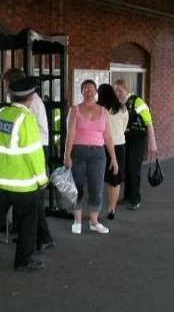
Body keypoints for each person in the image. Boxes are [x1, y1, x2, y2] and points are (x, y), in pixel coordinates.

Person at [0, 77, 48, 271]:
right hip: (23, 185)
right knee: (27, 224)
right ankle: (23, 261)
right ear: (31, 97)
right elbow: (34, 153)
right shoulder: (27, 118)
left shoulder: (1, 113)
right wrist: (42, 180)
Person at [1, 68, 56, 252]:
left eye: (7, 85)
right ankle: (28, 235)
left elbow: (25, 132)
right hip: (35, 147)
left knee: (34, 199)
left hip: (35, 149)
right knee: (27, 197)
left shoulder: (28, 103)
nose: (6, 90)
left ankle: (44, 237)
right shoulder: (30, 100)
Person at [64, 79, 118, 234]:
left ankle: (94, 222)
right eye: (86, 88)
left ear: (96, 92)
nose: (89, 91)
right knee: (77, 188)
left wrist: (114, 158)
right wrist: (66, 155)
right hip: (78, 152)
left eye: (92, 88)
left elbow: (108, 137)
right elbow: (70, 134)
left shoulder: (104, 111)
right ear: (81, 91)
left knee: (96, 188)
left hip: (98, 154)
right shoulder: (75, 110)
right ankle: (77, 220)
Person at [113, 79, 158, 210]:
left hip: (137, 140)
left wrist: (152, 142)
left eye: (120, 91)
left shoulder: (137, 102)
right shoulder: (119, 104)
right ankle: (127, 196)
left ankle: (135, 199)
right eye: (115, 91)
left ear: (126, 90)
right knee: (126, 169)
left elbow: (149, 122)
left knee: (133, 169)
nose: (117, 93)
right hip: (124, 139)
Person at [97, 83, 129, 220]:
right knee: (115, 180)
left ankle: (96, 209)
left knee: (97, 177)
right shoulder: (122, 108)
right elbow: (124, 126)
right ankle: (112, 208)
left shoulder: (99, 109)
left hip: (102, 145)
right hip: (119, 146)